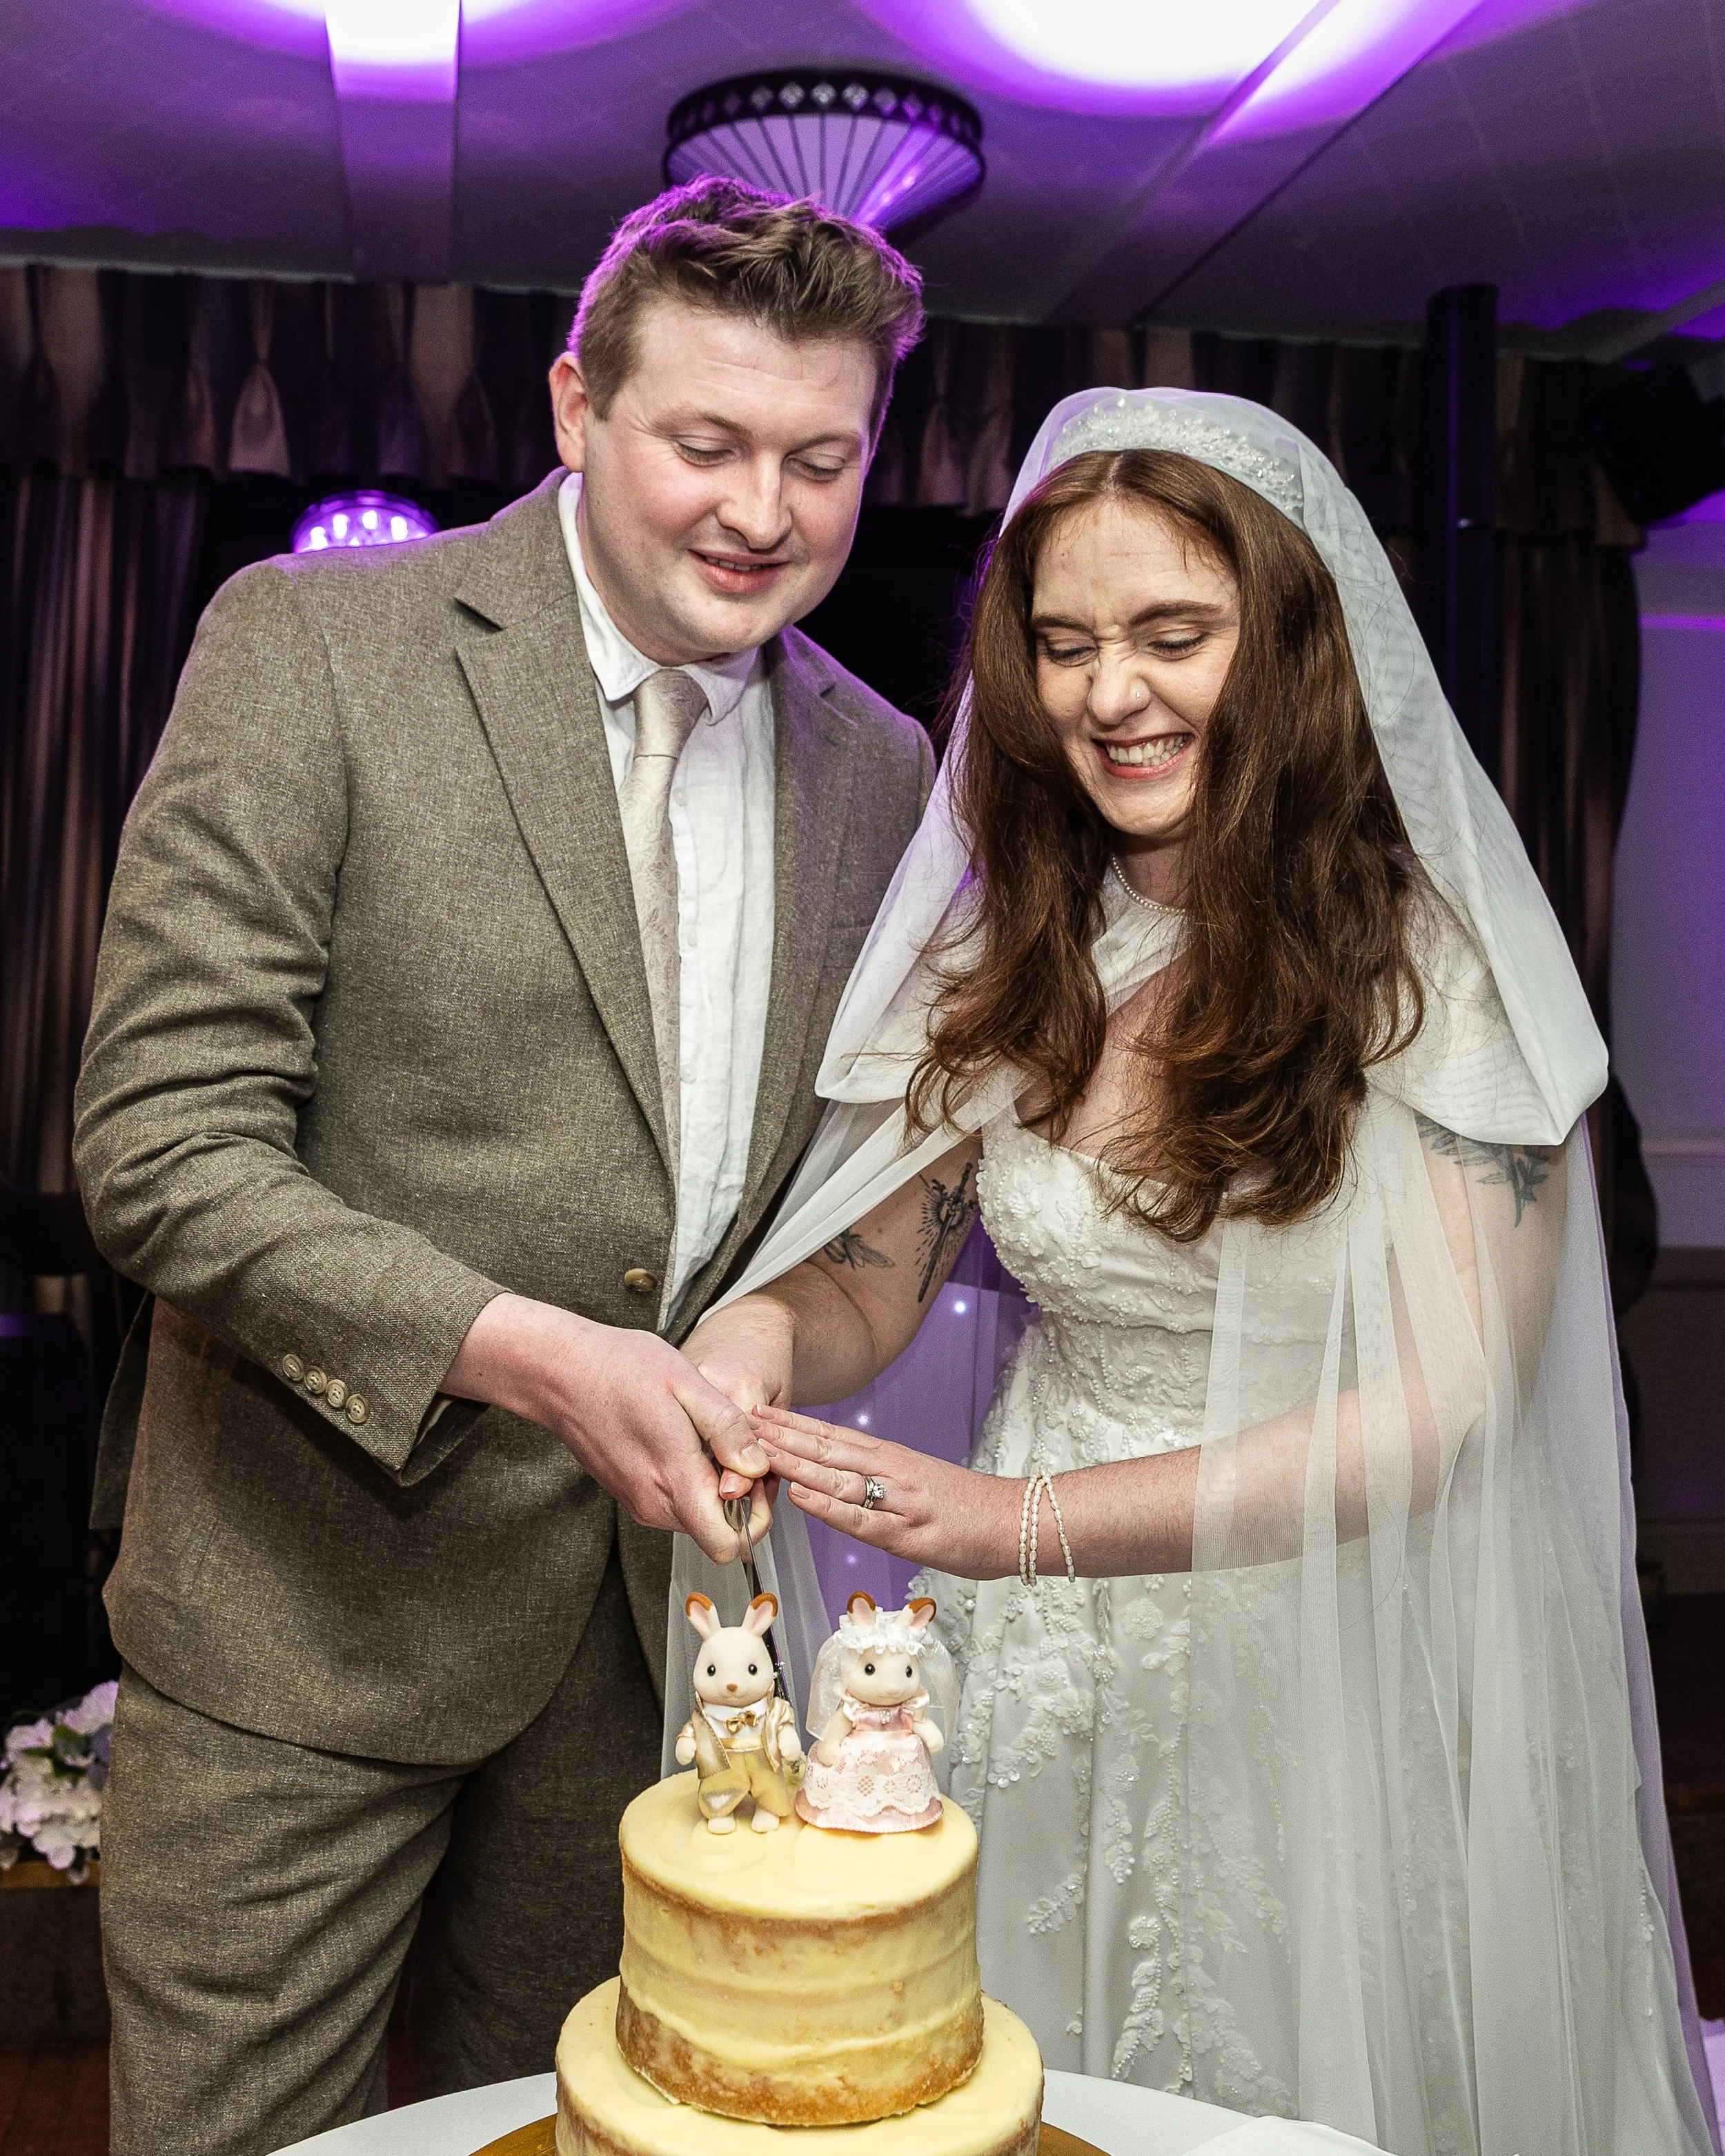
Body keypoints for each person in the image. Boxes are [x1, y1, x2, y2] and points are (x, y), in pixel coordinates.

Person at [680, 390, 1719, 2156]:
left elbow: (1443, 1418)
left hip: (1325, 1655)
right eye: (1066, 643)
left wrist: (1014, 1523)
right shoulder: (1013, 939)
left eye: (1174, 634)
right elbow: (870, 1269)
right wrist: (753, 1330)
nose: (1109, 693)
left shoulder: (1437, 971)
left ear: (1295, 645)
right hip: (1035, 1664)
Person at [72, 178, 932, 2156]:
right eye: (702, 443)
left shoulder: (886, 771)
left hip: (655, 1648)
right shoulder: (317, 644)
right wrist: (535, 1350)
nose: (760, 510)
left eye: (820, 459)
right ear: (572, 406)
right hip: (298, 1606)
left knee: (557, 2134)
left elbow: (882, 1188)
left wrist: (784, 1322)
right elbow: (159, 1142)